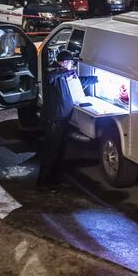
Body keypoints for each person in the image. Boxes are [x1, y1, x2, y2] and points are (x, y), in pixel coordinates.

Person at [37, 50, 98, 187]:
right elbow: (49, 77)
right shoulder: (52, 72)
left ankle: (55, 180)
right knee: (51, 152)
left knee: (60, 152)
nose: (72, 66)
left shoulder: (65, 74)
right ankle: (43, 182)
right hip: (54, 121)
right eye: (71, 63)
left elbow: (78, 82)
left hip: (63, 120)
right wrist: (66, 71)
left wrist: (95, 79)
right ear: (65, 62)